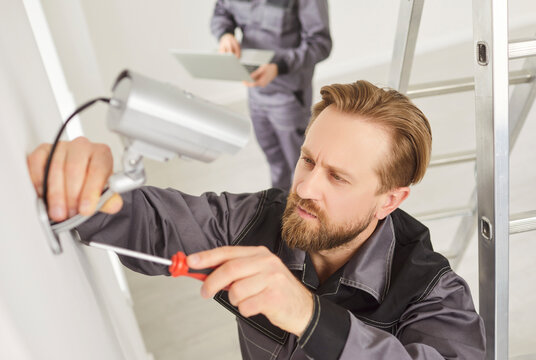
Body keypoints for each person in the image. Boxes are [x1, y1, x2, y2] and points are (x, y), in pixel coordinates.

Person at [27, 80, 486, 359]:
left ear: (390, 200)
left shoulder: (432, 293)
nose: (305, 188)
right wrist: (86, 189)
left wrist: (311, 316)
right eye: (308, 161)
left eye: (337, 178)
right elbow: (153, 226)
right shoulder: (256, 222)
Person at [211, 0, 332, 191]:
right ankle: (281, 207)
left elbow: (320, 44)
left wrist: (278, 66)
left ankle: (305, 212)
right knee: (274, 159)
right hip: (255, 90)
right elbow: (222, 12)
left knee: (300, 165)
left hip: (288, 96)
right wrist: (225, 35)